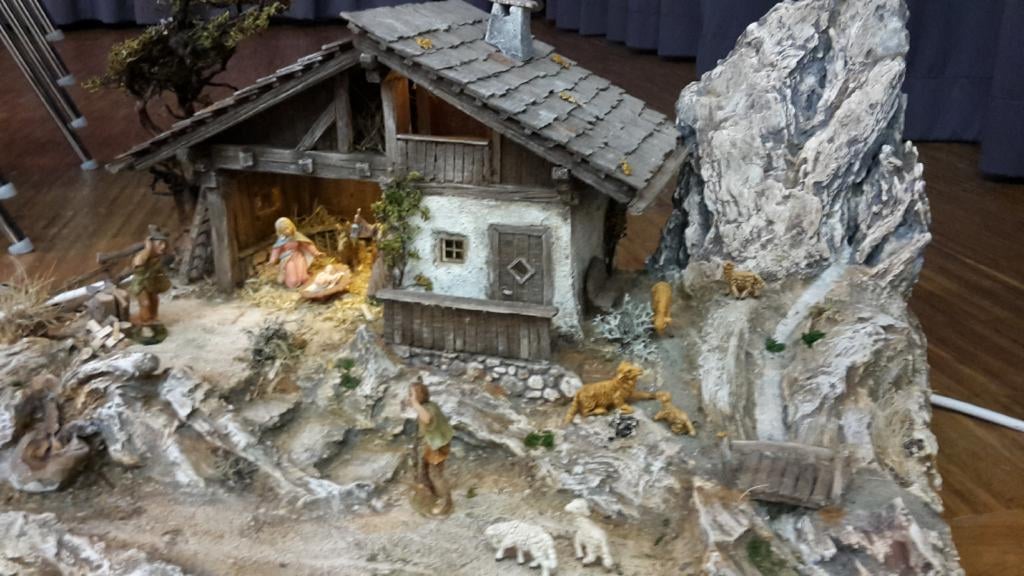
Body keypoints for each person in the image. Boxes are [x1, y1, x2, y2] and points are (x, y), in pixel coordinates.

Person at [409, 379, 454, 515]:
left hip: (436, 446)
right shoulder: (428, 406)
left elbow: (427, 419)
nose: (410, 398)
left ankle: (445, 502)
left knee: (436, 474)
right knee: (423, 472)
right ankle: (431, 496)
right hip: (428, 444)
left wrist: (415, 403)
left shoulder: (429, 409)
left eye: (412, 395)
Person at [129, 226, 172, 325]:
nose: (163, 247)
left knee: (155, 300)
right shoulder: (141, 256)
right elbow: (138, 264)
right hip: (140, 285)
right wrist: (147, 250)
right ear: (151, 244)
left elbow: (158, 270)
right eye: (160, 244)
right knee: (145, 303)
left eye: (164, 244)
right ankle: (145, 321)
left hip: (151, 283)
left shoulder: (156, 258)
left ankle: (154, 317)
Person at [269, 217, 321, 288]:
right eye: (284, 230)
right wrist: (272, 260)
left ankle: (304, 280)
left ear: (291, 226)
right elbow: (276, 250)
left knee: (304, 278)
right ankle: (289, 280)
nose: (287, 231)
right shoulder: (281, 240)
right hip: (288, 259)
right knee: (293, 280)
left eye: (288, 228)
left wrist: (315, 252)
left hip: (298, 257)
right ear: (280, 231)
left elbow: (307, 245)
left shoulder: (297, 235)